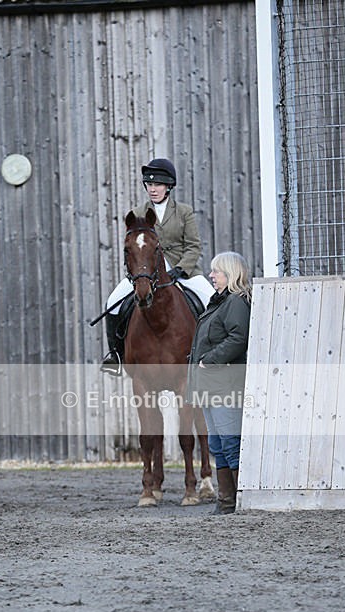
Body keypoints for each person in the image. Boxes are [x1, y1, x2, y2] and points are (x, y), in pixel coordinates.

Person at [101, 158, 214, 374]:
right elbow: (132, 247)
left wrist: (181, 268)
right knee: (113, 302)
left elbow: (193, 246)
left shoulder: (184, 212)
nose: (153, 189)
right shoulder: (137, 213)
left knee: (211, 300)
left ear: (169, 186)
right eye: (150, 185)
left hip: (183, 272)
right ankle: (114, 355)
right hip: (146, 272)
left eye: (158, 185)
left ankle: (212, 353)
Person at [187, 251, 252, 514]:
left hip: (225, 383)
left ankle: (239, 503)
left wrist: (209, 360)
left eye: (217, 271)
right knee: (216, 444)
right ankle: (225, 501)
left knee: (230, 441)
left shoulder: (236, 302)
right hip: (209, 384)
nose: (211, 276)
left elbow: (239, 338)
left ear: (231, 273)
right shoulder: (217, 302)